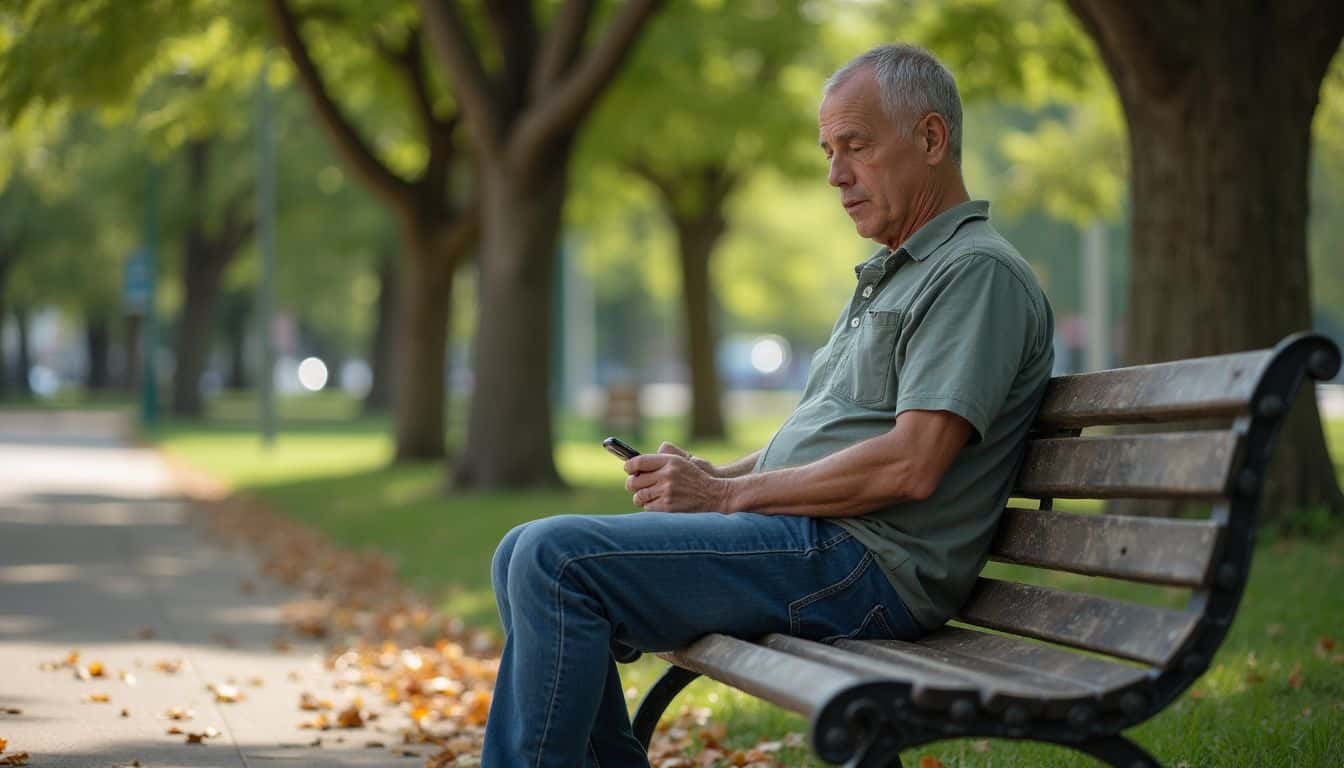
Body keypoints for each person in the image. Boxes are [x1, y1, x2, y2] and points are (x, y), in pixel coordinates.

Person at [482, 43, 1055, 768]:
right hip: (820, 543)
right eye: (828, 151)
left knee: (553, 560)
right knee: (520, 552)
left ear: (931, 139)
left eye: (855, 147)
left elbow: (912, 465)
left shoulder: (974, 274)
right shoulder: (900, 272)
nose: (835, 175)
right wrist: (713, 476)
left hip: (867, 564)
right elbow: (833, 436)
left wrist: (726, 495)